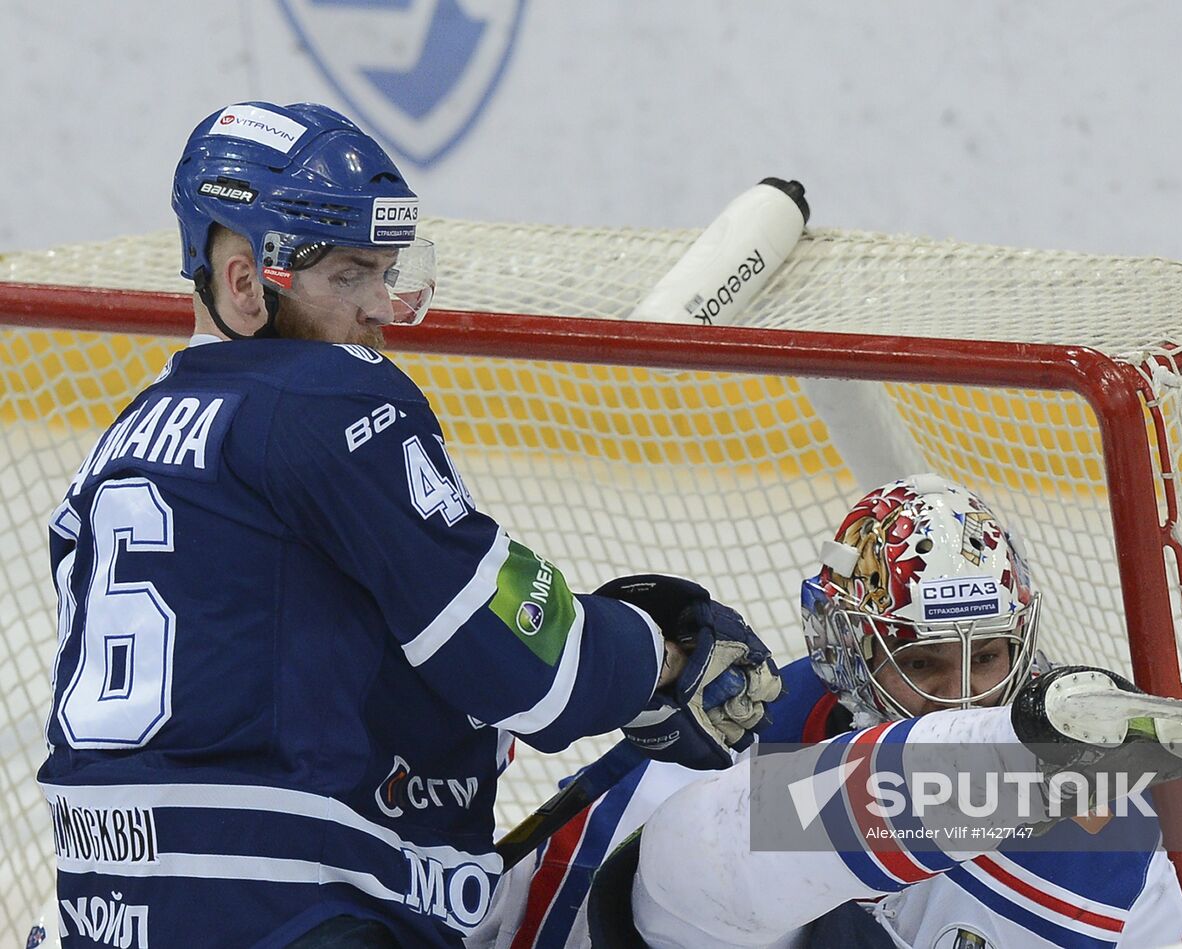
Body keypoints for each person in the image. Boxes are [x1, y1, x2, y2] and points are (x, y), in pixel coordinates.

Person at [36, 101, 780, 948]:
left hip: (103, 912)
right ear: (244, 280)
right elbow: (521, 662)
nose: (379, 307)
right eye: (349, 275)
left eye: (386, 272)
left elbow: (282, 671)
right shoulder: (328, 397)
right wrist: (661, 654)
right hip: (297, 914)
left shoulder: (113, 448)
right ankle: (951, 788)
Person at [508, 474, 1182, 948]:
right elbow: (563, 907)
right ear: (847, 652)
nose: (965, 693)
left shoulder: (1124, 841)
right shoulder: (748, 732)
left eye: (989, 655)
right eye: (922, 662)